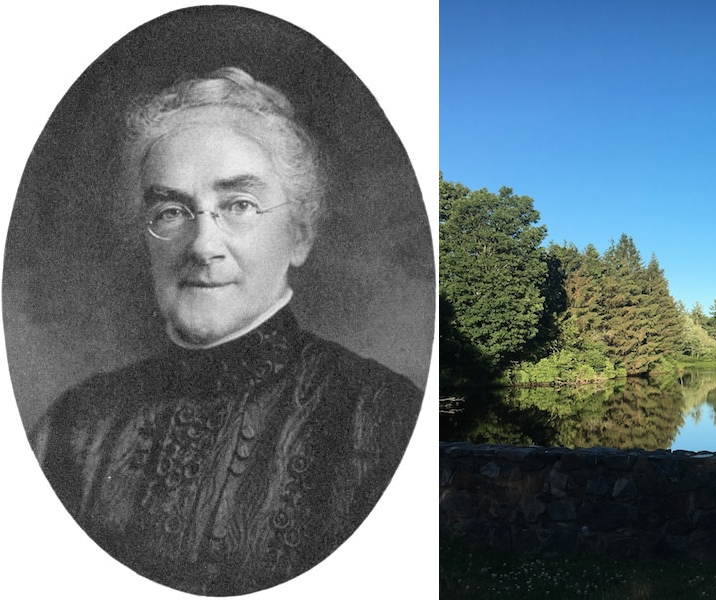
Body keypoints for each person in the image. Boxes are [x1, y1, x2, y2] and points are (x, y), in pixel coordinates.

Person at [30, 67, 422, 596]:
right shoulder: (75, 428)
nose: (202, 245)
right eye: (171, 211)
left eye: (239, 205)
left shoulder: (378, 418)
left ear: (300, 235)